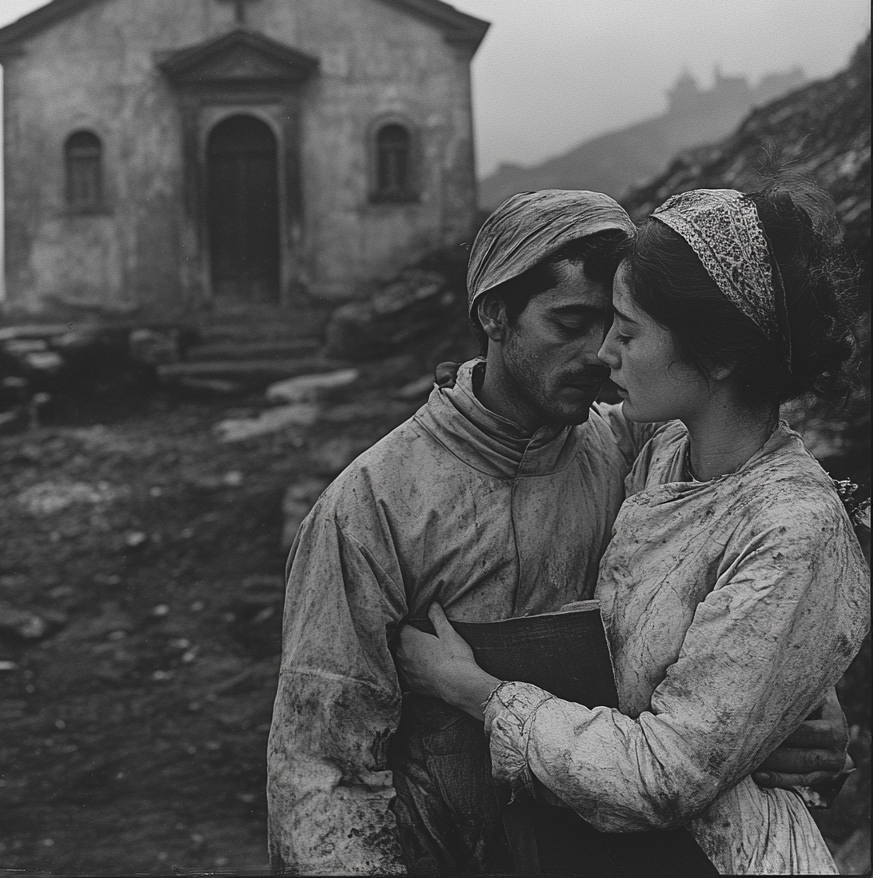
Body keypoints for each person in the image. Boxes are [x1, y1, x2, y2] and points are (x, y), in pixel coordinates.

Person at [267, 189, 851, 875]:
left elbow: (736, 589)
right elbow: (322, 769)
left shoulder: (636, 457)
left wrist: (802, 719)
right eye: (569, 323)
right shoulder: (373, 506)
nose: (599, 353)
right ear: (494, 313)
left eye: (618, 327)